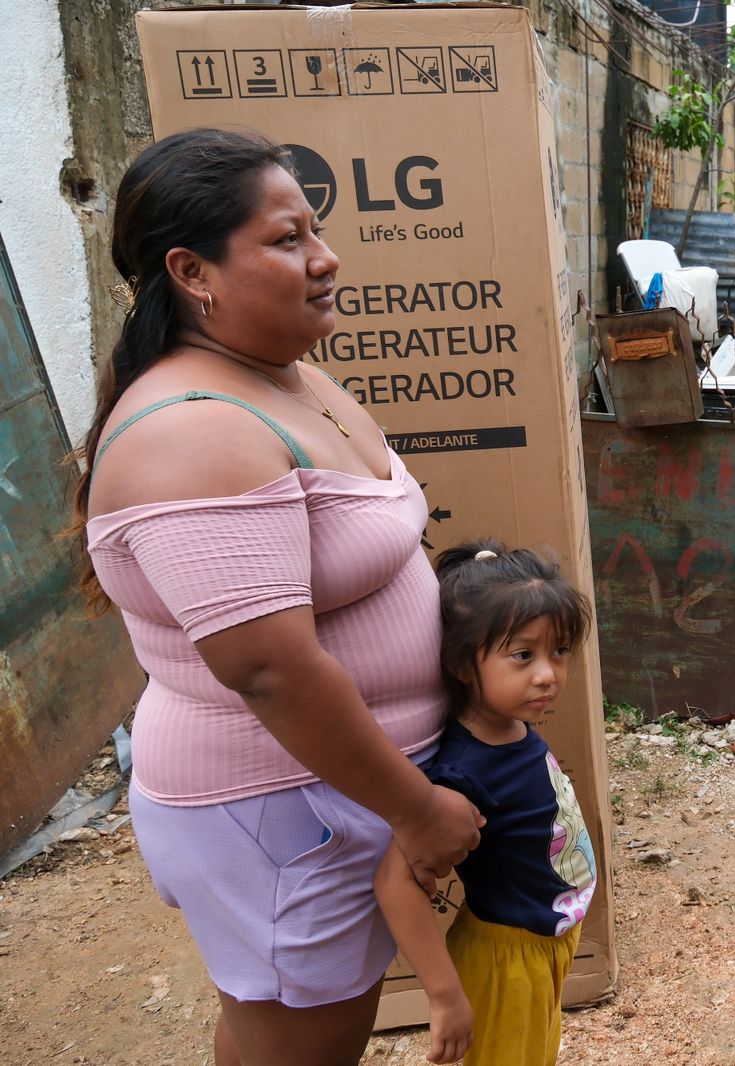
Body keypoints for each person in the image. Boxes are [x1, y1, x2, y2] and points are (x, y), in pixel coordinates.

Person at [77, 128, 483, 1065]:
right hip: (279, 807)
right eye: (287, 239)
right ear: (193, 271)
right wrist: (417, 811)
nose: (326, 257)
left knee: (308, 1027)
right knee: (298, 1044)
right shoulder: (193, 437)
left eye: (317, 229)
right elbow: (268, 669)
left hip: (335, 794)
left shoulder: (285, 378)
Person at [375, 540, 598, 1066]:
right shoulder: (462, 773)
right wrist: (443, 993)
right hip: (505, 959)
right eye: (523, 655)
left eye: (558, 651)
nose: (547, 673)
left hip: (544, 940)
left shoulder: (511, 725)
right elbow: (394, 881)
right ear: (460, 664)